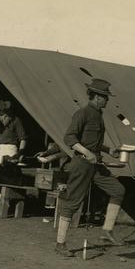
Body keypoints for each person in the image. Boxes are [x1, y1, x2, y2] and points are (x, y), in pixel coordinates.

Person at [55, 78, 125, 257]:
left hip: (96, 164)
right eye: (105, 97)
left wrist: (110, 151)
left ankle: (107, 231)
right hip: (81, 164)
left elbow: (93, 142)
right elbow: (69, 138)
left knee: (118, 191)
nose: (107, 100)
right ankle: (60, 244)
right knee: (72, 202)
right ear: (97, 97)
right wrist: (87, 153)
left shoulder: (98, 115)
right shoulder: (82, 113)